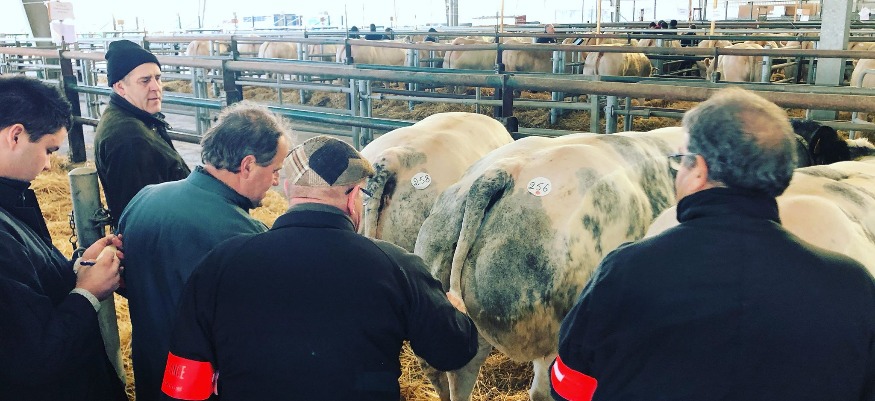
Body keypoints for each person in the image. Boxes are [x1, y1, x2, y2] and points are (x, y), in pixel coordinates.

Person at [550, 87, 875, 401]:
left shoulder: (624, 272)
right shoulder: (852, 284)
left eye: (682, 160)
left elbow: (569, 388)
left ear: (699, 171)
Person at [161, 135, 478, 401]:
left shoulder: (220, 263)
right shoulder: (396, 266)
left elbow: (184, 384)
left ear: (288, 190)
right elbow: (453, 353)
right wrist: (453, 311)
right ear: (353, 196)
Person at [117, 101, 291, 401]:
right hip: (204, 389)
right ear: (248, 165)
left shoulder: (143, 200)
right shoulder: (245, 236)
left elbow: (128, 281)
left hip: (151, 378)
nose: (276, 181)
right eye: (275, 170)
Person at [0, 75, 126, 401]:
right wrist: (88, 292)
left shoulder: (11, 199)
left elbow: (27, 293)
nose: (47, 165)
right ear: (16, 135)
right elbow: (34, 359)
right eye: (48, 150)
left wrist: (77, 269)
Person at [94, 39, 191, 228]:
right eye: (145, 81)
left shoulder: (136, 120)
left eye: (158, 78)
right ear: (120, 87)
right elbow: (144, 217)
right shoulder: (130, 139)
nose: (156, 87)